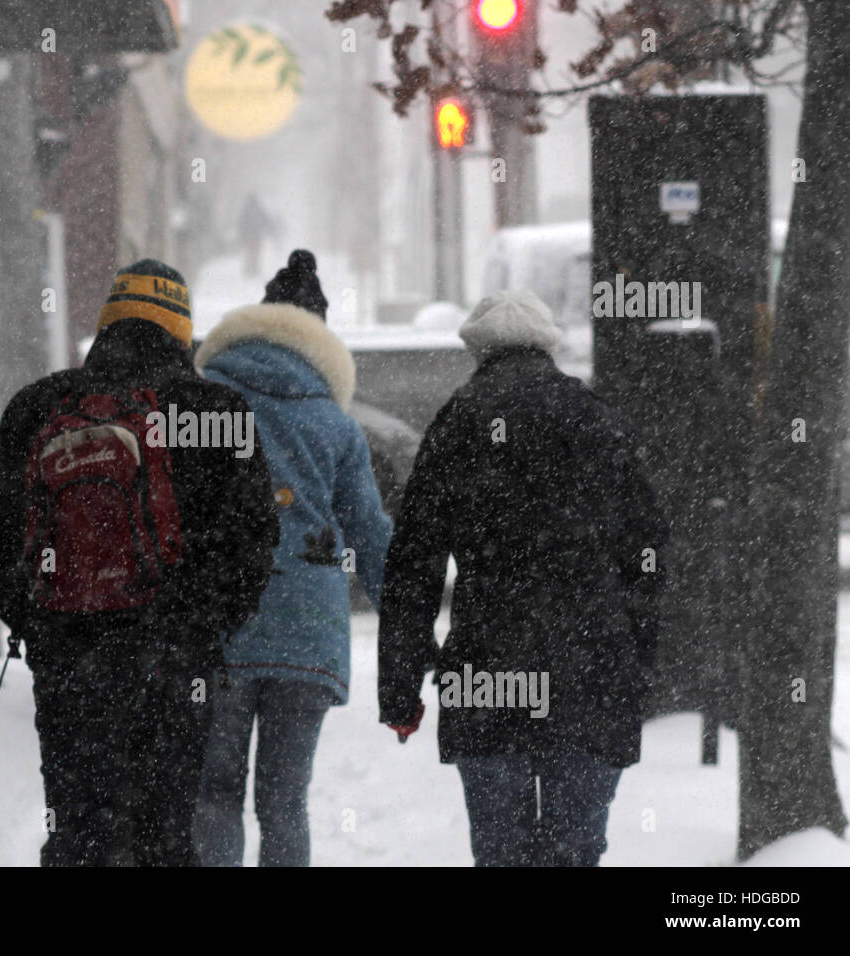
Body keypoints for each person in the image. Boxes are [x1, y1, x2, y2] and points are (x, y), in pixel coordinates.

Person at [0, 259, 279, 866]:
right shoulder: (214, 412)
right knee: (166, 834)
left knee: (79, 828)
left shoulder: (38, 406)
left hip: (70, 669)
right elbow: (253, 545)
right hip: (175, 668)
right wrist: (201, 629)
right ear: (180, 331)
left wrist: (44, 625)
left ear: (107, 323)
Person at [378, 289, 665, 867]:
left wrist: (400, 688)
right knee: (573, 850)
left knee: (501, 850)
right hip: (591, 672)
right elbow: (647, 548)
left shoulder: (457, 422)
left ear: (477, 350)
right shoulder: (595, 417)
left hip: (487, 670)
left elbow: (414, 563)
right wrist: (638, 656)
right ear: (547, 346)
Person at [191, 250, 392, 866]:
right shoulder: (336, 424)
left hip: (221, 624)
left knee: (214, 792)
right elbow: (370, 532)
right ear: (319, 339)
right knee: (283, 802)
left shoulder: (204, 404)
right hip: (309, 632)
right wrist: (405, 621)